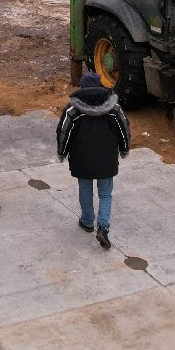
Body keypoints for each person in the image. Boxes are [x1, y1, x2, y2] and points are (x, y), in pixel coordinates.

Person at [56, 71, 130, 250]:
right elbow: (123, 127)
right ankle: (103, 227)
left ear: (82, 87)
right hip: (106, 158)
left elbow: (64, 132)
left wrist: (62, 152)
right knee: (105, 193)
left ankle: (88, 221)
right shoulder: (113, 108)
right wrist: (124, 148)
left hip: (82, 158)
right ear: (100, 85)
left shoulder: (73, 110)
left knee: (85, 188)